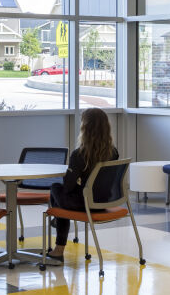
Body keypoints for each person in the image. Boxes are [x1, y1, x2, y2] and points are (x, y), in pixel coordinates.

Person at [43, 107, 119, 265]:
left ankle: (58, 248)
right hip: (104, 201)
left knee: (56, 188)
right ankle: (57, 223)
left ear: (85, 128)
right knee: (63, 196)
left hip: (85, 204)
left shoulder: (79, 154)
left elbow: (68, 186)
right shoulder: (113, 152)